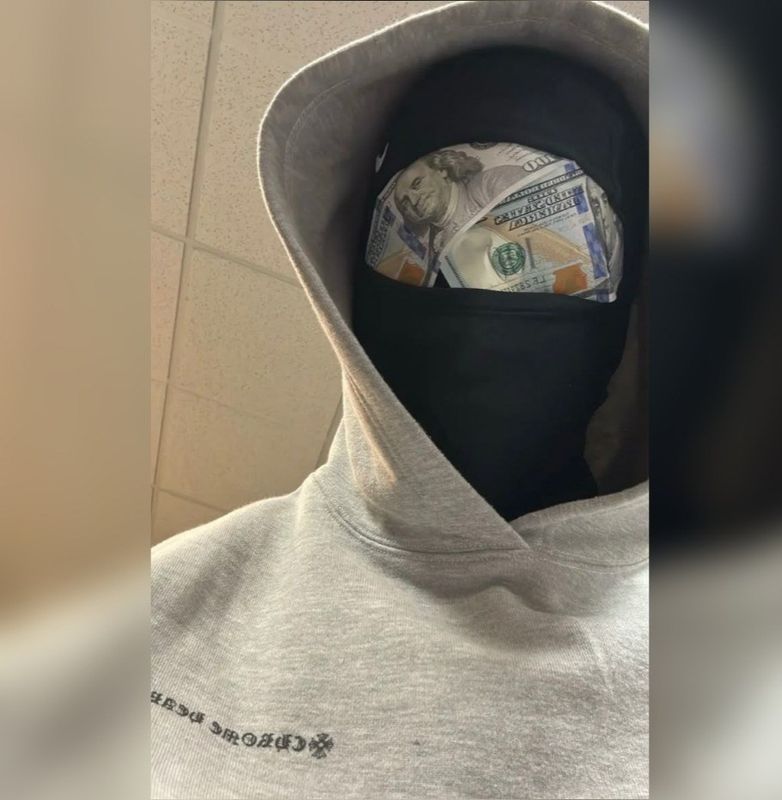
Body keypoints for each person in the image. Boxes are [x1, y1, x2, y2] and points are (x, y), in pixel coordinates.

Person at [151, 5, 650, 800]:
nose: (473, 281)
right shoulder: (168, 602)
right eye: (426, 241)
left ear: (631, 309)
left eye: (524, 254)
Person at [393, 147, 529, 262]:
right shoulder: (433, 250)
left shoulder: (492, 182)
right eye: (405, 202)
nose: (413, 201)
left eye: (417, 184)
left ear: (441, 170)